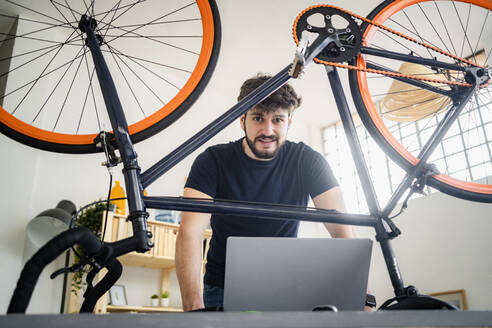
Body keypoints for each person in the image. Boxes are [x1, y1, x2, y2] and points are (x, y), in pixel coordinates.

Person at [175, 74, 357, 312]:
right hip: (222, 287)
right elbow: (190, 232)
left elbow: (342, 229)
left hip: (286, 284)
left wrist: (363, 297)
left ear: (289, 121)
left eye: (278, 119)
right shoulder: (212, 160)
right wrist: (193, 308)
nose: (267, 130)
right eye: (258, 118)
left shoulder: (308, 161)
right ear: (242, 120)